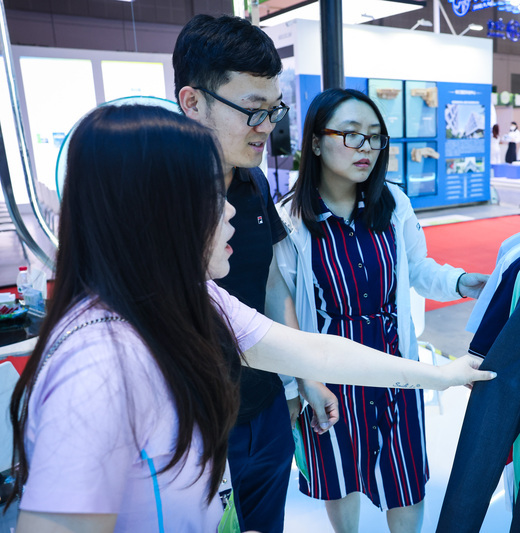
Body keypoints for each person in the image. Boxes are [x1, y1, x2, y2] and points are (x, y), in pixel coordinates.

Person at [8, 104, 494, 533]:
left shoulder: (194, 299)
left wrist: (441, 375)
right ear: (155, 211)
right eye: (209, 194)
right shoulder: (95, 370)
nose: (230, 213)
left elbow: (316, 352)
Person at [274, 88, 490, 533]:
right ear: (316, 142)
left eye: (375, 137)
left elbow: (418, 268)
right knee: (340, 475)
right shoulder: (290, 219)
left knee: (405, 477)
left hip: (396, 366)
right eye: (352, 135)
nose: (366, 148)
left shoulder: (393, 203)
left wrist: (461, 281)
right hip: (330, 374)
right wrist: (300, 381)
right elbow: (283, 303)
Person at [172, 15, 336, 532]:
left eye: (275, 110)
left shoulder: (254, 182)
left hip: (263, 407)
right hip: (190, 422)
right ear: (192, 101)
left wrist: (303, 377)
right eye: (252, 111)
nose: (267, 127)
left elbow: (270, 282)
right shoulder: (155, 194)